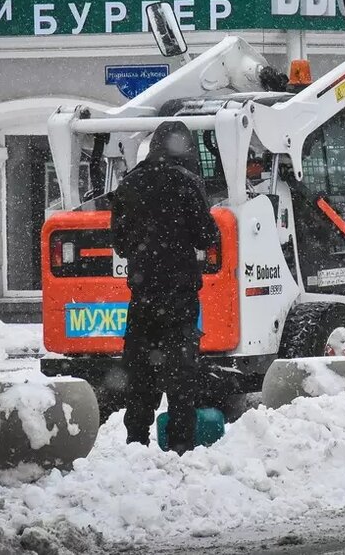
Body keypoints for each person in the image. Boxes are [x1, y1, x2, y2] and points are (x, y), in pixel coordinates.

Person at [111, 121, 221, 454]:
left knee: (140, 371)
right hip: (179, 296)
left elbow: (121, 244)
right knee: (182, 376)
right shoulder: (188, 184)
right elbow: (207, 236)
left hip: (143, 297)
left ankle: (136, 442)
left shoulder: (128, 185)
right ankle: (180, 446)